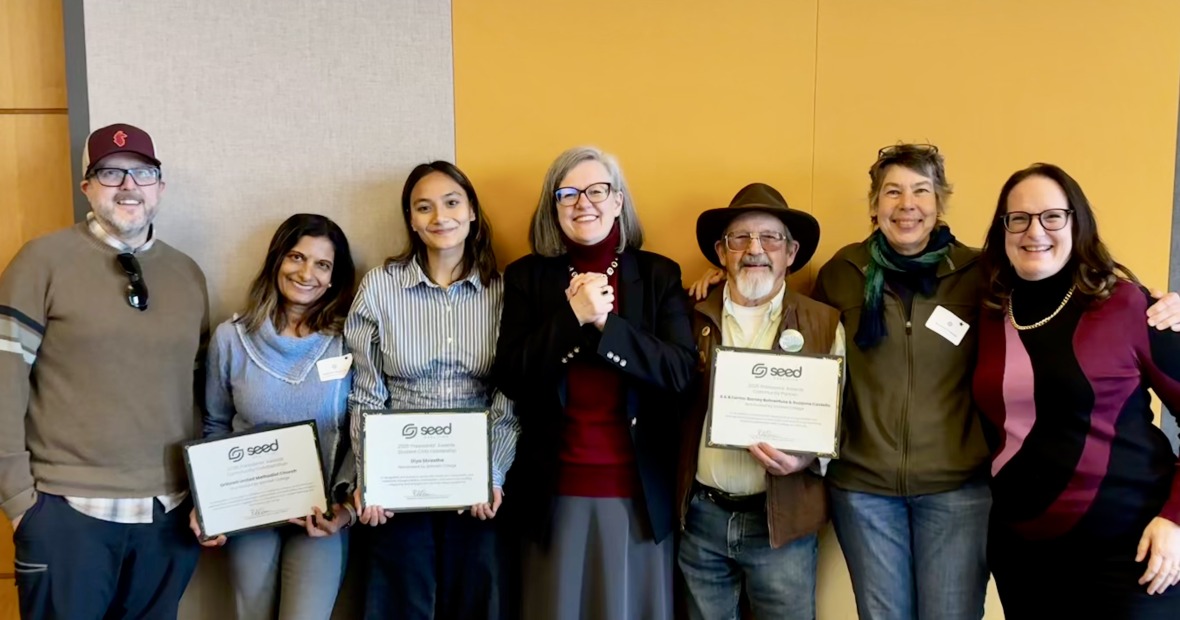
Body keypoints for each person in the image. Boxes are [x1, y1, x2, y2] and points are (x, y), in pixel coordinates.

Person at [687, 146, 1180, 620]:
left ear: (940, 202)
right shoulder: (842, 272)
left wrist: (1158, 303)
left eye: (921, 191)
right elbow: (798, 330)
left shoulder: (984, 275)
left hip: (958, 491)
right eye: (892, 192)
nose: (907, 204)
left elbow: (1059, 282)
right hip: (864, 490)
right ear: (874, 206)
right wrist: (724, 276)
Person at [0, 123, 209, 618]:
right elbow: (4, 384)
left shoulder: (187, 274)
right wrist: (19, 501)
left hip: (167, 515)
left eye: (142, 173)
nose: (128, 186)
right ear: (88, 187)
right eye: (111, 173)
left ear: (160, 186)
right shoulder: (41, 262)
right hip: (66, 513)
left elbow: (201, 394)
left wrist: (209, 495)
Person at [493, 146, 696, 620]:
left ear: (618, 201)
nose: (583, 203)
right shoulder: (526, 277)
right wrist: (572, 318)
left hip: (638, 494)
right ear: (554, 208)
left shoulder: (658, 274)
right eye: (568, 193)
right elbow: (513, 376)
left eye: (597, 190)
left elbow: (680, 373)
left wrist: (608, 327)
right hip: (553, 492)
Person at [974, 163, 1180, 619]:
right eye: (1019, 218)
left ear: (1077, 223)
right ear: (1003, 230)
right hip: (1024, 555)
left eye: (1052, 216)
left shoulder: (1127, 305)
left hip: (1131, 553)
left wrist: (1176, 519)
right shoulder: (989, 310)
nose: (1035, 231)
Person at [346, 161, 519, 620]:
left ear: (472, 211)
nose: (440, 217)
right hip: (398, 477)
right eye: (424, 207)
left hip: (476, 478)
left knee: (478, 603)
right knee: (399, 605)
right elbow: (366, 394)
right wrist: (370, 476)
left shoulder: (504, 291)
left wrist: (493, 473)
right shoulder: (380, 288)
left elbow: (508, 395)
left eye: (451, 203)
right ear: (411, 219)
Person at [677, 182, 844, 620]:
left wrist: (804, 458)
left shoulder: (824, 323)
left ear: (790, 252)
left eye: (770, 237)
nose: (755, 249)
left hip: (782, 524)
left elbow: (839, 417)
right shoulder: (689, 314)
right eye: (740, 238)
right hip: (702, 519)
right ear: (721, 251)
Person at [190, 213, 357, 619]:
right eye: (296, 257)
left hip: (320, 516)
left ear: (333, 278)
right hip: (250, 512)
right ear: (276, 260)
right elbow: (215, 425)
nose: (306, 273)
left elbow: (360, 428)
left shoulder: (348, 341)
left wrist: (347, 510)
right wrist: (209, 502)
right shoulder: (231, 339)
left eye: (322, 264)